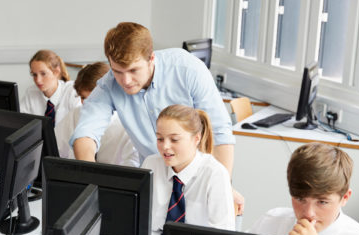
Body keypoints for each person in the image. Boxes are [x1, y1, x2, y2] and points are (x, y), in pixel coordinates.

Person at [70, 22, 243, 214]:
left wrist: (222, 188)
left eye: (133, 70)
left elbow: (220, 133)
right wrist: (93, 182)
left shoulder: (187, 69)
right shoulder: (109, 84)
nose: (125, 81)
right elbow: (85, 135)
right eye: (118, 71)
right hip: (156, 182)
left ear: (151, 58)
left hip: (202, 178)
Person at [144, 105, 234, 235]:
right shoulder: (151, 165)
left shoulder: (214, 174)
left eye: (174, 139)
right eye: (160, 138)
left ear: (196, 138)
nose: (165, 146)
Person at [55, 61, 139, 166]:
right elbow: (55, 150)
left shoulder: (128, 126)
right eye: (83, 98)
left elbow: (133, 168)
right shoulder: (75, 114)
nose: (86, 104)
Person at [20, 49, 81, 126]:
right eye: (34, 75)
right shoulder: (31, 92)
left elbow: (80, 124)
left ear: (56, 72)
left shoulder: (72, 91)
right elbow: (20, 122)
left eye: (43, 74)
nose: (38, 80)